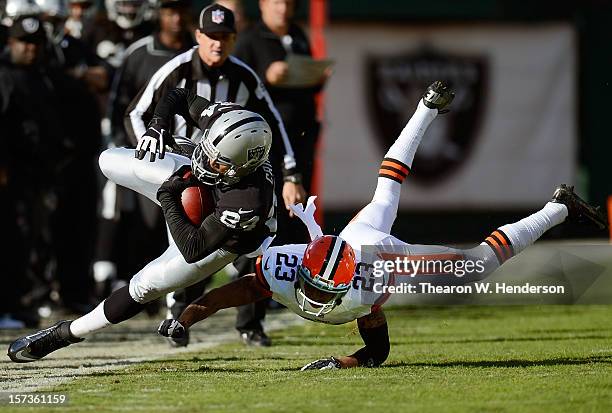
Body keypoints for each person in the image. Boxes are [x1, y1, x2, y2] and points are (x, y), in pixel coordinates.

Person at [153, 81, 608, 369]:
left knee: (471, 267)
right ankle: (426, 108)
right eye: (314, 288)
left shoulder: (365, 289)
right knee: (385, 192)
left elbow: (378, 352)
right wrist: (186, 316)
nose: (313, 298)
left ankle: (559, 209)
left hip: (378, 255)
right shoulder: (284, 270)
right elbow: (222, 296)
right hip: (350, 241)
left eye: (321, 293)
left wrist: (342, 362)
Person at [7, 86, 276, 362]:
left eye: (217, 163)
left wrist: (168, 197)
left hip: (217, 240)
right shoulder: (227, 121)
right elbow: (178, 94)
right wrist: (158, 126)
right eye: (206, 150)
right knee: (108, 160)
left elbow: (193, 248)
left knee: (145, 286)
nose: (206, 162)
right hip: (197, 187)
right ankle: (185, 156)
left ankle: (66, 333)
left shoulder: (248, 200)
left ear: (240, 168)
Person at [125, 3, 305, 345]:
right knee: (193, 250)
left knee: (252, 247)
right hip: (187, 175)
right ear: (198, 36)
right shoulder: (176, 70)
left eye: (224, 36)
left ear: (235, 39)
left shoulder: (243, 76)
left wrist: (291, 173)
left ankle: (250, 325)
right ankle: (177, 316)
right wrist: (148, 157)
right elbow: (135, 112)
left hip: (234, 177)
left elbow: (272, 124)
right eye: (211, 36)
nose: (217, 43)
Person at [230, 0, 328, 346]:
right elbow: (248, 94)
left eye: (287, 2)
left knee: (292, 218)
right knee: (258, 221)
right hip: (262, 144)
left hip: (295, 142)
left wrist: (316, 78)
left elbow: (307, 92)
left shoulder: (298, 36)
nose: (283, 8)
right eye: (275, 1)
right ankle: (183, 302)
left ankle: (277, 292)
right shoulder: (249, 41)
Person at [92, 0, 195, 302]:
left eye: (180, 11)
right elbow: (123, 105)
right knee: (138, 217)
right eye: (169, 11)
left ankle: (177, 290)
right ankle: (133, 281)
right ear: (159, 14)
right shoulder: (139, 53)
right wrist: (143, 150)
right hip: (149, 150)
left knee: (185, 220)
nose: (175, 18)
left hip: (195, 154)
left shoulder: (198, 52)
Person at [0, 14, 102, 316]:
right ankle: (14, 303)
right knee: (14, 240)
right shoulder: (4, 75)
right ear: (11, 42)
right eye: (24, 42)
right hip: (13, 174)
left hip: (43, 173)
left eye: (35, 43)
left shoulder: (49, 76)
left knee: (39, 239)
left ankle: (33, 300)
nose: (30, 49)